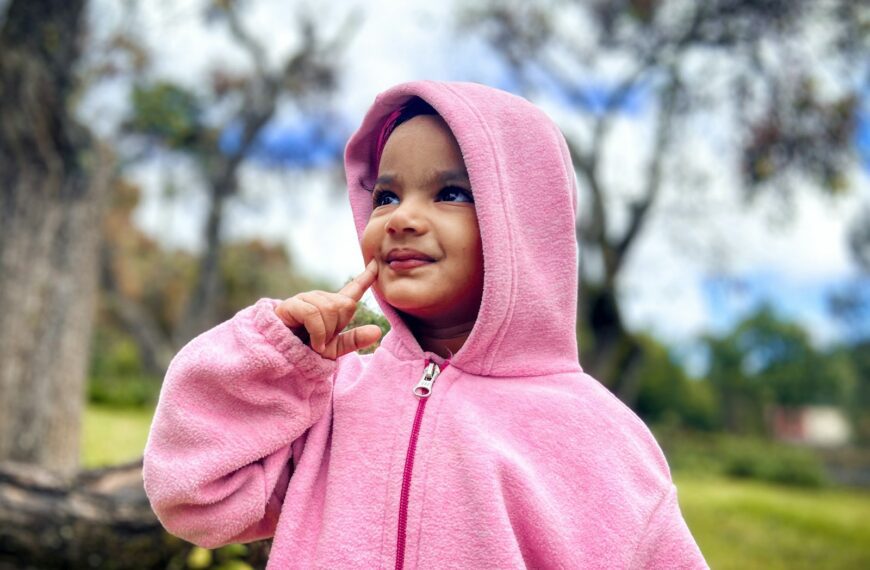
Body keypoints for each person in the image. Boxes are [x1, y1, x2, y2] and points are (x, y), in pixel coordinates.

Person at [143, 80, 709, 569]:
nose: (403, 218)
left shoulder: (599, 438)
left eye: (452, 193)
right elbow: (191, 494)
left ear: (525, 225)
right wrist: (274, 360)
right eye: (386, 195)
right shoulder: (330, 397)